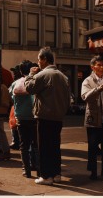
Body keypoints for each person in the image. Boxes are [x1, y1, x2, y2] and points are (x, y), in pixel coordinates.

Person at [25, 47, 70, 185]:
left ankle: (46, 176)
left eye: (39, 59)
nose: (38, 62)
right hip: (58, 117)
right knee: (55, 146)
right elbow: (68, 99)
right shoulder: (64, 77)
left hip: (44, 115)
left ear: (44, 59)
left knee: (44, 147)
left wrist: (30, 75)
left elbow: (29, 88)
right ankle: (56, 174)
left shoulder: (43, 75)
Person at [9, 60, 39, 178]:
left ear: (21, 71)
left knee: (23, 145)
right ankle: (38, 169)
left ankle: (26, 171)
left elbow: (12, 97)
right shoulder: (34, 82)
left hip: (20, 117)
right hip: (34, 117)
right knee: (35, 144)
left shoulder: (15, 83)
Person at [9, 65, 23, 150]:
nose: (14, 74)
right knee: (14, 124)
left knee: (14, 124)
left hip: (17, 106)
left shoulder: (16, 83)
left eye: (15, 72)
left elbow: (10, 94)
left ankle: (16, 141)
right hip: (15, 106)